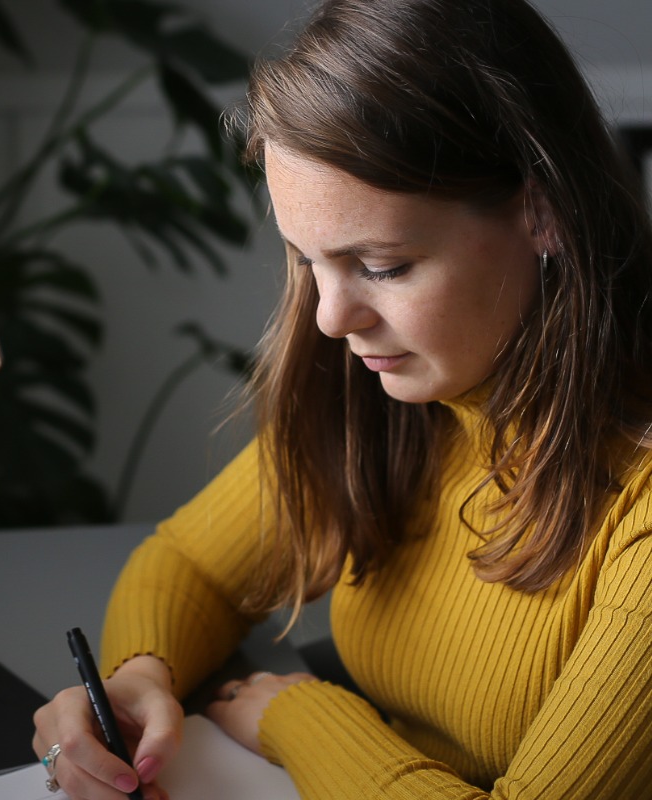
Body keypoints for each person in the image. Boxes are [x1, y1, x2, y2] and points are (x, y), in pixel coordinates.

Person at [32, 0, 652, 797]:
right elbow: (193, 564)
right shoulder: (400, 399)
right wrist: (138, 678)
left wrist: (300, 718)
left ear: (545, 213)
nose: (331, 318)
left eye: (384, 265)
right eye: (306, 260)